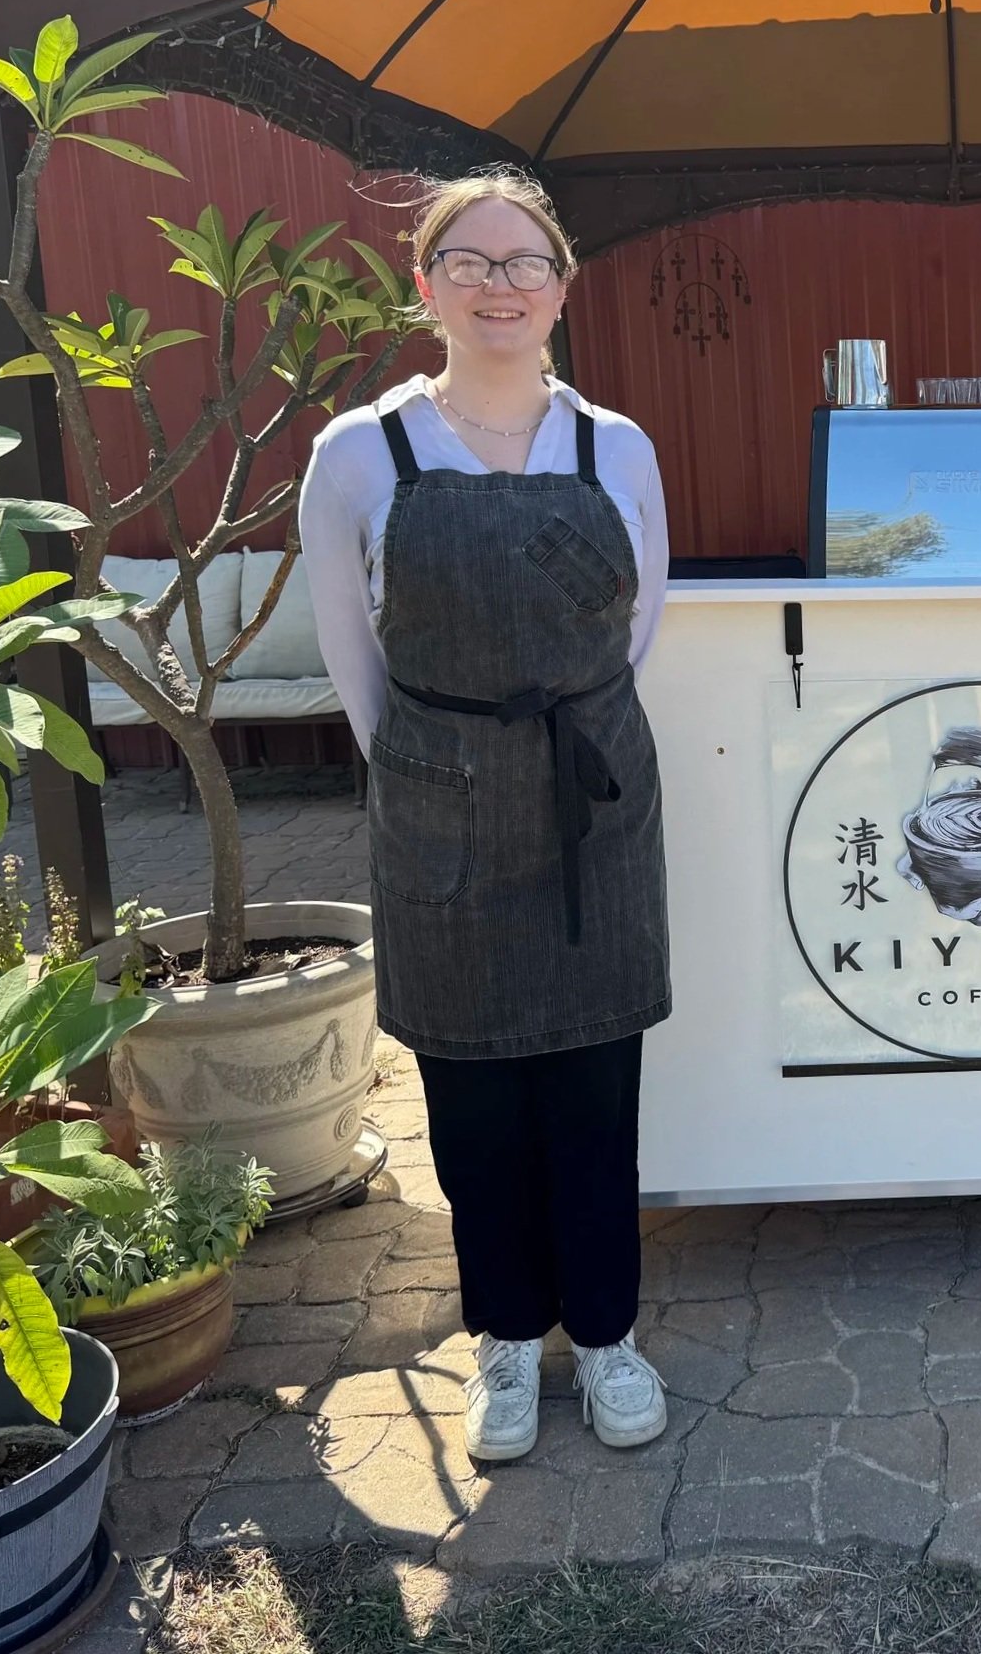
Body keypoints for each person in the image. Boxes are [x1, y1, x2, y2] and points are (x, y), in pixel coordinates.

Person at [301, 168, 674, 1463]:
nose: (498, 283)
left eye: (524, 262)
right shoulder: (361, 453)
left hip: (592, 800)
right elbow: (349, 646)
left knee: (592, 1088)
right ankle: (508, 1341)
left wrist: (557, 737)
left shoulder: (611, 446)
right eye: (468, 259)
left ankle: (610, 1336)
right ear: (425, 285)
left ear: (561, 288)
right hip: (436, 800)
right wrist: (428, 765)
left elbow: (637, 624)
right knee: (470, 1102)